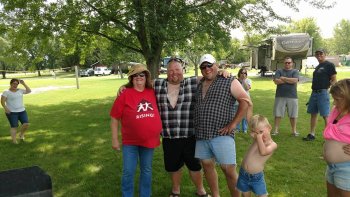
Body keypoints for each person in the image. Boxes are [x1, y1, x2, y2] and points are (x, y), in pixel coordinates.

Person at [194, 54, 252, 197]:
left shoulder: (229, 80)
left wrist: (233, 124)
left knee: (228, 169)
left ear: (216, 65)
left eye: (210, 65)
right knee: (207, 165)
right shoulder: (199, 82)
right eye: (203, 67)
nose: (207, 69)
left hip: (222, 133)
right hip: (202, 134)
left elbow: (245, 101)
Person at [154, 57, 210, 197]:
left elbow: (210, 75)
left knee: (195, 166)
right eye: (171, 70)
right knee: (174, 167)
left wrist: (222, 72)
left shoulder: (192, 82)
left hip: (190, 136)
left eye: (177, 69)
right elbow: (139, 82)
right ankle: (175, 191)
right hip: (169, 136)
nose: (174, 73)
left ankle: (201, 191)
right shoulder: (157, 84)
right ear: (166, 72)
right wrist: (124, 86)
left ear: (182, 70)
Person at [110, 64, 162, 197]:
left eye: (142, 75)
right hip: (130, 142)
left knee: (147, 170)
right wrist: (115, 139)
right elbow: (114, 118)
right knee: (128, 171)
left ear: (146, 77)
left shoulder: (153, 91)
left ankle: (145, 195)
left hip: (149, 140)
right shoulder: (125, 94)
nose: (139, 77)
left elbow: (173, 81)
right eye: (136, 75)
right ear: (132, 78)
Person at [237, 114, 277, 197]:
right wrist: (250, 105)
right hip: (243, 174)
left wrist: (258, 137)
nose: (260, 135)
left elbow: (263, 152)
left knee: (262, 195)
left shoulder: (272, 144)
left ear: (269, 128)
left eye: (261, 132)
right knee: (245, 194)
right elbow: (250, 120)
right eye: (256, 132)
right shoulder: (257, 138)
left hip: (256, 177)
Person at [323, 79, 350, 196]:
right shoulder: (336, 110)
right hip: (331, 167)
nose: (334, 103)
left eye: (337, 100)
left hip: (346, 169)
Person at [303, 49, 337, 141]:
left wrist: (334, 93)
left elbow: (334, 79)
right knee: (313, 114)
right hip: (314, 93)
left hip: (323, 93)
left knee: (325, 115)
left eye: (321, 53)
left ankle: (329, 137)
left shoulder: (329, 65)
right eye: (317, 54)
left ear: (325, 54)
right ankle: (312, 134)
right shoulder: (318, 66)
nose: (319, 55)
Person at [272, 57, 299, 136]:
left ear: (292, 63)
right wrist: (289, 80)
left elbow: (295, 80)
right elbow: (276, 81)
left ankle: (294, 131)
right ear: (284, 63)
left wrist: (283, 78)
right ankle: (276, 130)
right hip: (280, 95)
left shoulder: (295, 71)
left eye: (289, 62)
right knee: (278, 114)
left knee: (293, 114)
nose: (287, 64)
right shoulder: (279, 71)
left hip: (293, 96)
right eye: (286, 63)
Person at [1, 78, 31, 144]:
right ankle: (14, 141)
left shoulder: (20, 90)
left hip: (22, 111)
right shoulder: (6, 92)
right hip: (11, 112)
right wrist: (5, 108)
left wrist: (24, 84)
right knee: (14, 126)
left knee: (26, 124)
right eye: (14, 83)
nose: (15, 85)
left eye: (17, 84)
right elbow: (2, 101)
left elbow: (29, 91)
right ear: (11, 83)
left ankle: (21, 134)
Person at [235, 68, 252, 133]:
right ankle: (237, 128)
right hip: (237, 100)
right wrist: (238, 80)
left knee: (245, 116)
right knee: (237, 115)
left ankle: (245, 129)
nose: (243, 74)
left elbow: (247, 88)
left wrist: (243, 80)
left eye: (245, 73)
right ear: (239, 74)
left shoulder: (248, 80)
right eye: (242, 73)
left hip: (246, 100)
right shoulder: (236, 81)